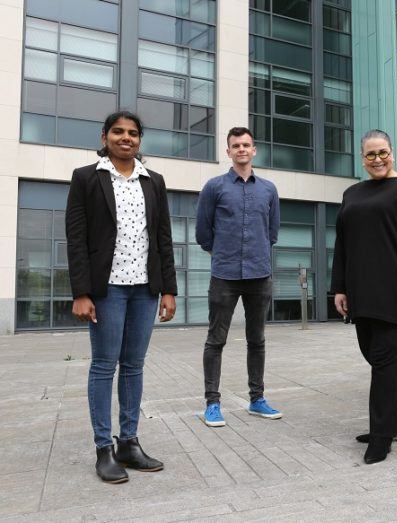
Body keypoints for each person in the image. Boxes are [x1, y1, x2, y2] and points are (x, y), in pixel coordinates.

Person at [66, 111, 177, 484]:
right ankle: (104, 448)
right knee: (103, 365)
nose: (125, 138)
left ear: (139, 140)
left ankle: (129, 442)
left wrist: (169, 289)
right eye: (118, 132)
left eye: (133, 133)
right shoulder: (86, 178)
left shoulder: (154, 181)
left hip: (144, 289)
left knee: (134, 365)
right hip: (107, 288)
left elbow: (163, 238)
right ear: (105, 136)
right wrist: (81, 292)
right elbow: (76, 239)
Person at [331, 129, 397, 464]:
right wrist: (340, 288)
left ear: (393, 153)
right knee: (377, 359)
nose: (377, 160)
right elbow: (343, 245)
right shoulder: (352, 193)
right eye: (371, 155)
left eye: (383, 153)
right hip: (361, 294)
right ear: (362, 158)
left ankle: (381, 438)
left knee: (384, 365)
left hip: (395, 293)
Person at [196, 127, 281, 426]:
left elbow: (271, 233)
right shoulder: (214, 187)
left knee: (256, 340)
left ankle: (257, 400)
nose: (241, 149)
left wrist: (254, 254)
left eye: (246, 145)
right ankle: (212, 403)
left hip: (260, 275)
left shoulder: (269, 189)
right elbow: (203, 234)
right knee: (215, 340)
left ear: (254, 149)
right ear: (228, 151)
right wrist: (224, 254)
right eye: (236, 145)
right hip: (225, 275)